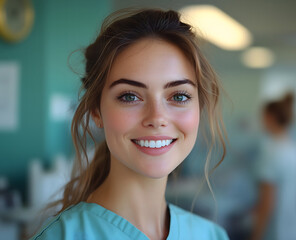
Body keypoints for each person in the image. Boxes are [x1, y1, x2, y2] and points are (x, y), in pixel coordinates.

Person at [30, 8, 228, 240]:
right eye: (130, 96)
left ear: (199, 107)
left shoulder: (211, 235)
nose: (156, 118)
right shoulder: (62, 236)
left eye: (179, 96)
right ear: (96, 111)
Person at [250, 93, 296, 240]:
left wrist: (256, 235)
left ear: (270, 117)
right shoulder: (293, 148)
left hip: (277, 230)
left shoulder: (271, 151)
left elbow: (267, 202)